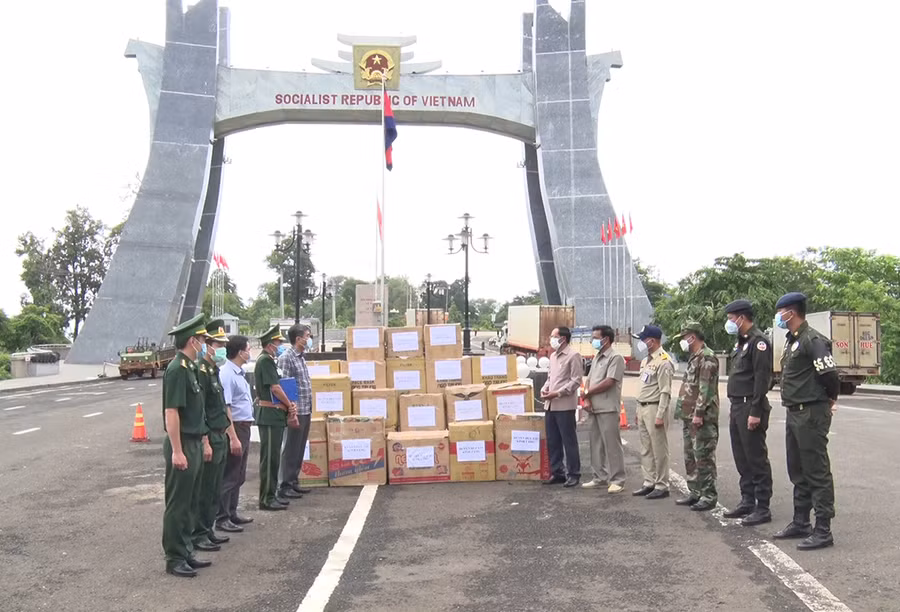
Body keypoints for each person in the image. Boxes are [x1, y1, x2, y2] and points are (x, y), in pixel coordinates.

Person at [772, 292, 838, 550]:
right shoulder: (791, 341)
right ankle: (801, 521)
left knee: (816, 471)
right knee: (797, 468)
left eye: (781, 312)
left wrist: (830, 399)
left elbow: (830, 375)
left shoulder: (814, 340)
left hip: (811, 412)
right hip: (794, 411)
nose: (779, 316)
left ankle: (823, 529)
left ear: (792, 312)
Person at [161, 314, 213, 578]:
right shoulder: (177, 370)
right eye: (203, 339)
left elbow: (197, 411)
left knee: (191, 501)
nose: (205, 344)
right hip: (182, 443)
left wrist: (203, 441)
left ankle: (186, 550)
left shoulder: (191, 368)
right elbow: (172, 412)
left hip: (193, 441)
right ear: (193, 341)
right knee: (178, 503)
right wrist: (177, 450)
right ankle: (174, 557)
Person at [722, 300, 774, 526]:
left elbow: (763, 379)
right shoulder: (741, 342)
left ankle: (762, 507)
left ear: (742, 318)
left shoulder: (758, 342)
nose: (729, 322)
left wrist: (755, 410)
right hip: (737, 405)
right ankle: (747, 500)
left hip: (750, 406)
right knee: (741, 456)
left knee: (755, 457)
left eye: (731, 318)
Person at [191, 319, 236, 551]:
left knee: (214, 488)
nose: (222, 349)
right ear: (207, 344)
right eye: (218, 344)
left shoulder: (213, 370)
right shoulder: (201, 370)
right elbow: (200, 410)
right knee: (205, 489)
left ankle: (208, 530)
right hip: (210, 436)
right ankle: (199, 534)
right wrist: (205, 440)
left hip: (220, 434)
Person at [673, 322, 720, 511]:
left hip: (702, 417)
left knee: (704, 457)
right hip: (688, 415)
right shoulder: (694, 357)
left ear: (693, 336)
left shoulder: (707, 357)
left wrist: (699, 413)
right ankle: (695, 492)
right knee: (690, 456)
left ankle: (708, 496)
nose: (683, 341)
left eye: (685, 337)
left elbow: (705, 389)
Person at [631, 325, 675, 500]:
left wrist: (660, 414)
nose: (641, 343)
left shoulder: (664, 361)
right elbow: (643, 387)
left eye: (643, 339)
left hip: (655, 407)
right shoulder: (645, 361)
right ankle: (649, 482)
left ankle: (662, 485)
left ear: (653, 341)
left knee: (659, 449)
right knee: (646, 449)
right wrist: (637, 410)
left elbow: (665, 391)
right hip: (643, 407)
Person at [581, 325, 627, 494]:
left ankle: (617, 480)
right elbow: (589, 379)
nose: (592, 341)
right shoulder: (597, 357)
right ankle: (599, 477)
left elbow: (609, 382)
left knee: (611, 445)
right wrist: (586, 397)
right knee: (595, 444)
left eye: (595, 337)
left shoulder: (616, 358)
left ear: (606, 339)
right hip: (593, 407)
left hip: (607, 407)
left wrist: (587, 393)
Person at [255, 325, 295, 511]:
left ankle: (271, 495)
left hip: (275, 415)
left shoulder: (270, 360)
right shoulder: (265, 361)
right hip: (269, 415)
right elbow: (275, 387)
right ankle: (266, 498)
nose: (280, 346)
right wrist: (289, 404)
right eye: (278, 343)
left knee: (274, 458)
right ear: (270, 344)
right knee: (269, 459)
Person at [217, 334, 254, 533]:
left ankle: (232, 512)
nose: (250, 352)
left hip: (244, 426)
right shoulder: (227, 374)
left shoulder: (238, 372)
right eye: (248, 349)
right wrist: (232, 436)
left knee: (239, 474)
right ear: (240, 352)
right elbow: (226, 407)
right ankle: (221, 517)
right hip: (236, 427)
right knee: (230, 474)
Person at [540, 326, 582, 487]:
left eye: (553, 336)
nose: (551, 339)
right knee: (553, 440)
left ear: (563, 339)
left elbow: (576, 380)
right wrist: (545, 388)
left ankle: (573, 473)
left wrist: (557, 393)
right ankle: (557, 472)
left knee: (568, 441)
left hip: (564, 405)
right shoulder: (552, 356)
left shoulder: (573, 355)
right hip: (550, 405)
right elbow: (550, 378)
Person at [277, 324, 314, 501]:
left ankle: (293, 480)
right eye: (307, 335)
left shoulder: (301, 357)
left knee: (299, 447)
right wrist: (291, 411)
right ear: (298, 339)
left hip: (306, 408)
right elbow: (285, 386)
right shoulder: (287, 358)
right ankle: (284, 484)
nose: (309, 338)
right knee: (290, 447)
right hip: (295, 410)